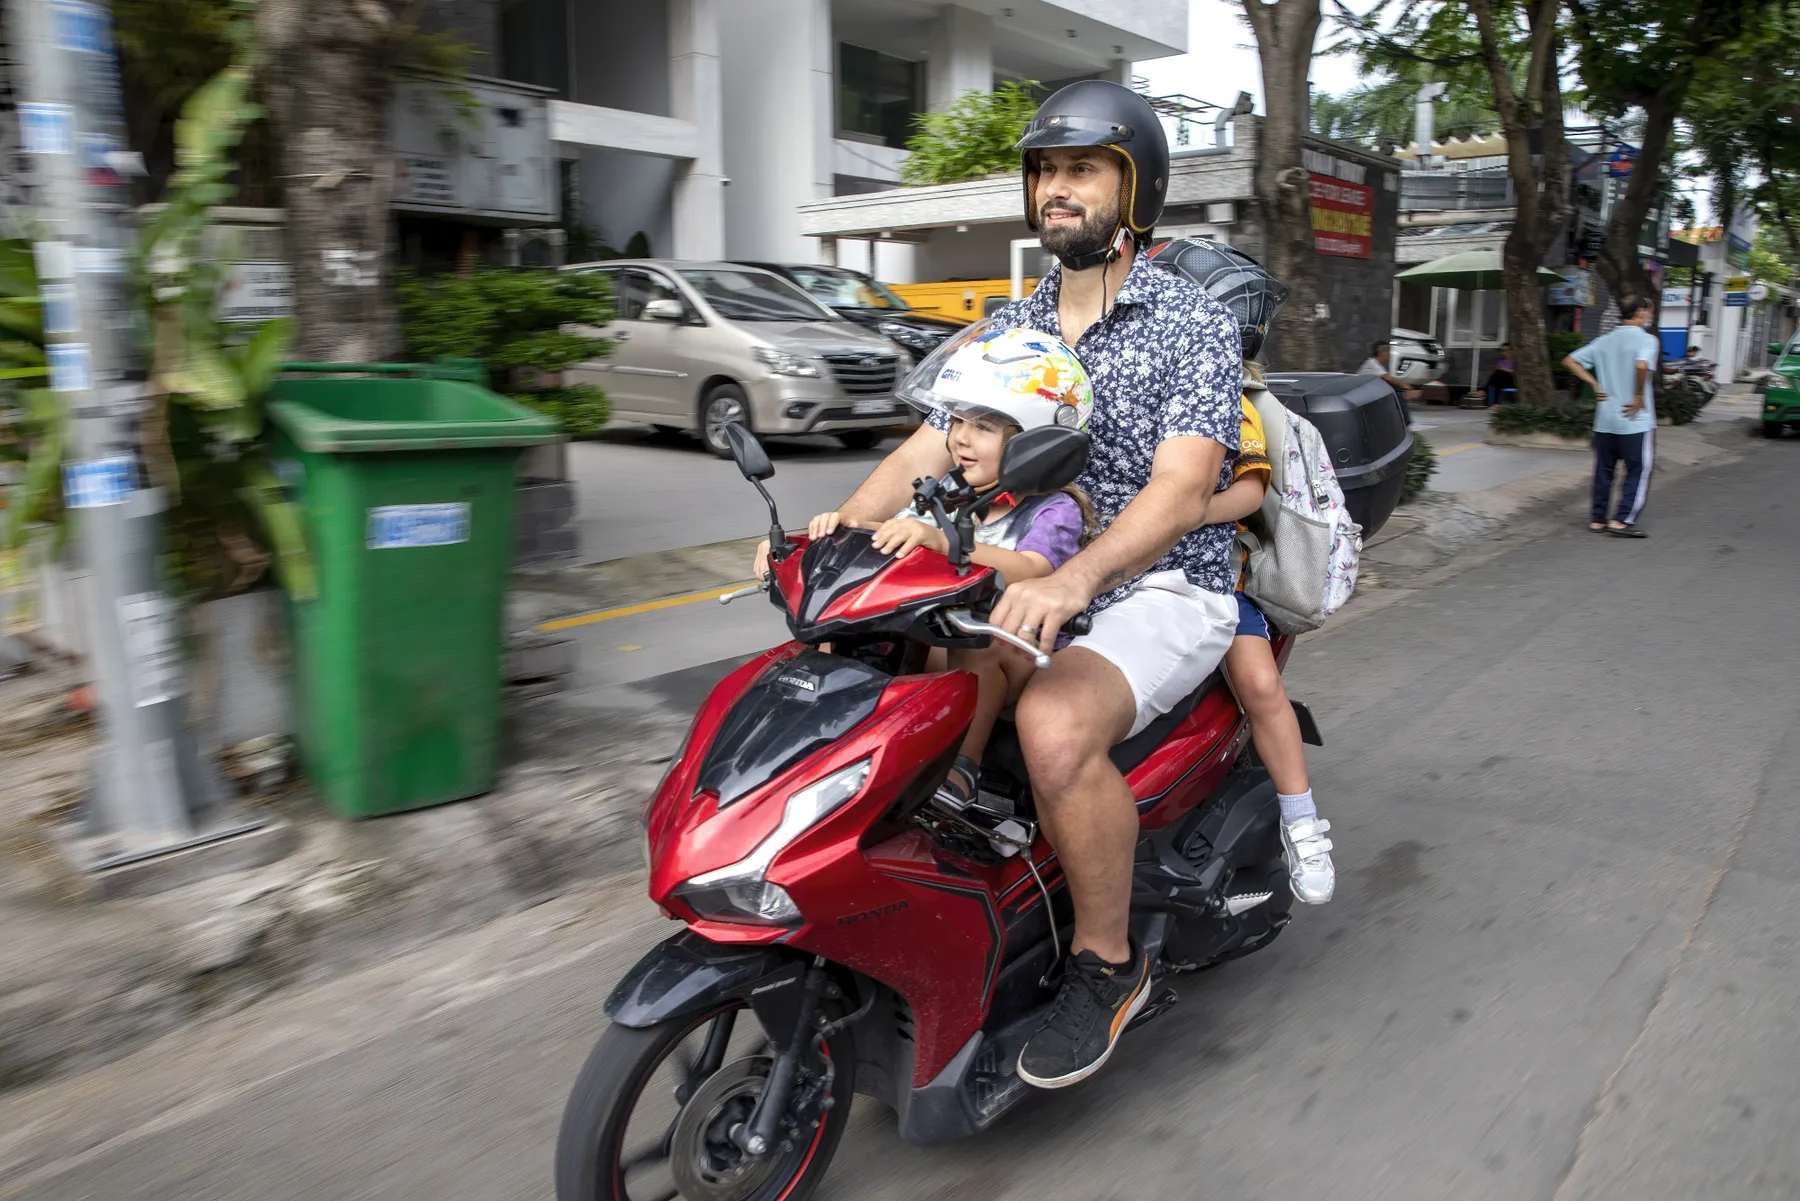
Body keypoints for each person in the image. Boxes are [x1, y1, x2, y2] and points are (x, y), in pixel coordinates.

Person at [755, 79, 1243, 1090]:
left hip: (1155, 581)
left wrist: (1077, 578)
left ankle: (1109, 964)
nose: (1058, 190)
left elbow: (1183, 482)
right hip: (1014, 561)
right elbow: (930, 443)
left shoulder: (1192, 321)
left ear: (1135, 185)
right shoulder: (1011, 321)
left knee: (1054, 730)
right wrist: (841, 529)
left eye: (1082, 170)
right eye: (1046, 173)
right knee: (887, 678)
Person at [805, 328, 1098, 810]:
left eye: (982, 426)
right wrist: (839, 530)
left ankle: (960, 770)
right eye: (958, 420)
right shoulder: (950, 492)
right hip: (940, 637)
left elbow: (1031, 569)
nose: (959, 436)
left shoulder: (1052, 510)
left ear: (1038, 444)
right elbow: (897, 531)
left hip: (1017, 652)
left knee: (977, 644)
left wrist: (943, 541)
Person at [1144, 237, 1334, 905]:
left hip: (1207, 573)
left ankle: (1302, 822)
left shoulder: (1236, 400)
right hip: (1119, 573)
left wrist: (1176, 513)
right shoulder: (1131, 381)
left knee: (1258, 684)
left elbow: (1250, 493)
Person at [1563, 295, 1659, 538]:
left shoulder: (1604, 341)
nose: (1649, 316)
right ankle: (1623, 519)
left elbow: (1570, 360)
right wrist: (1638, 395)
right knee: (1638, 469)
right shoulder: (1648, 340)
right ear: (1639, 312)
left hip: (1605, 419)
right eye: (1648, 312)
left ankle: (1598, 519)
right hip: (1634, 420)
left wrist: (1594, 383)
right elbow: (1641, 366)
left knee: (1604, 469)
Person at [1359, 340, 1423, 405]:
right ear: (1383, 352)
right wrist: (1406, 386)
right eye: (1388, 352)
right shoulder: (1372, 363)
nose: (1390, 355)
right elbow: (1388, 378)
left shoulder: (1374, 364)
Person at [1484, 342, 1517, 407]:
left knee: (1499, 374)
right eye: (1501, 351)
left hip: (1511, 381)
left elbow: (1516, 372)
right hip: (1500, 381)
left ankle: (1485, 392)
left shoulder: (1514, 361)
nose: (1503, 353)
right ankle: (1495, 403)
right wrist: (1496, 368)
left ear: (1510, 351)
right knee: (1497, 374)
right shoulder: (1499, 361)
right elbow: (1494, 372)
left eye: (1505, 351)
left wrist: (1504, 369)